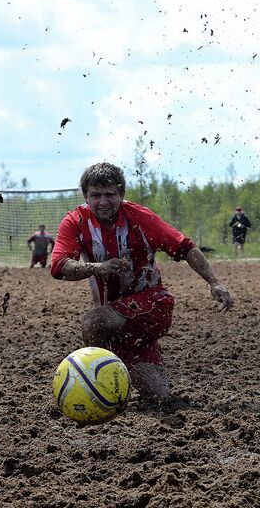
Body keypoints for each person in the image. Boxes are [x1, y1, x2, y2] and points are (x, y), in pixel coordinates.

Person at [50, 162, 233, 401]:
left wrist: (214, 282)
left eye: (110, 194)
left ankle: (101, 389)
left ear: (121, 194)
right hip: (117, 319)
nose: (103, 201)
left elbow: (185, 247)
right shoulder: (75, 221)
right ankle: (121, 377)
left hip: (154, 305)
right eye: (95, 195)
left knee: (93, 322)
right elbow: (59, 266)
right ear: (85, 196)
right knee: (157, 396)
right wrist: (99, 267)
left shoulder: (139, 217)